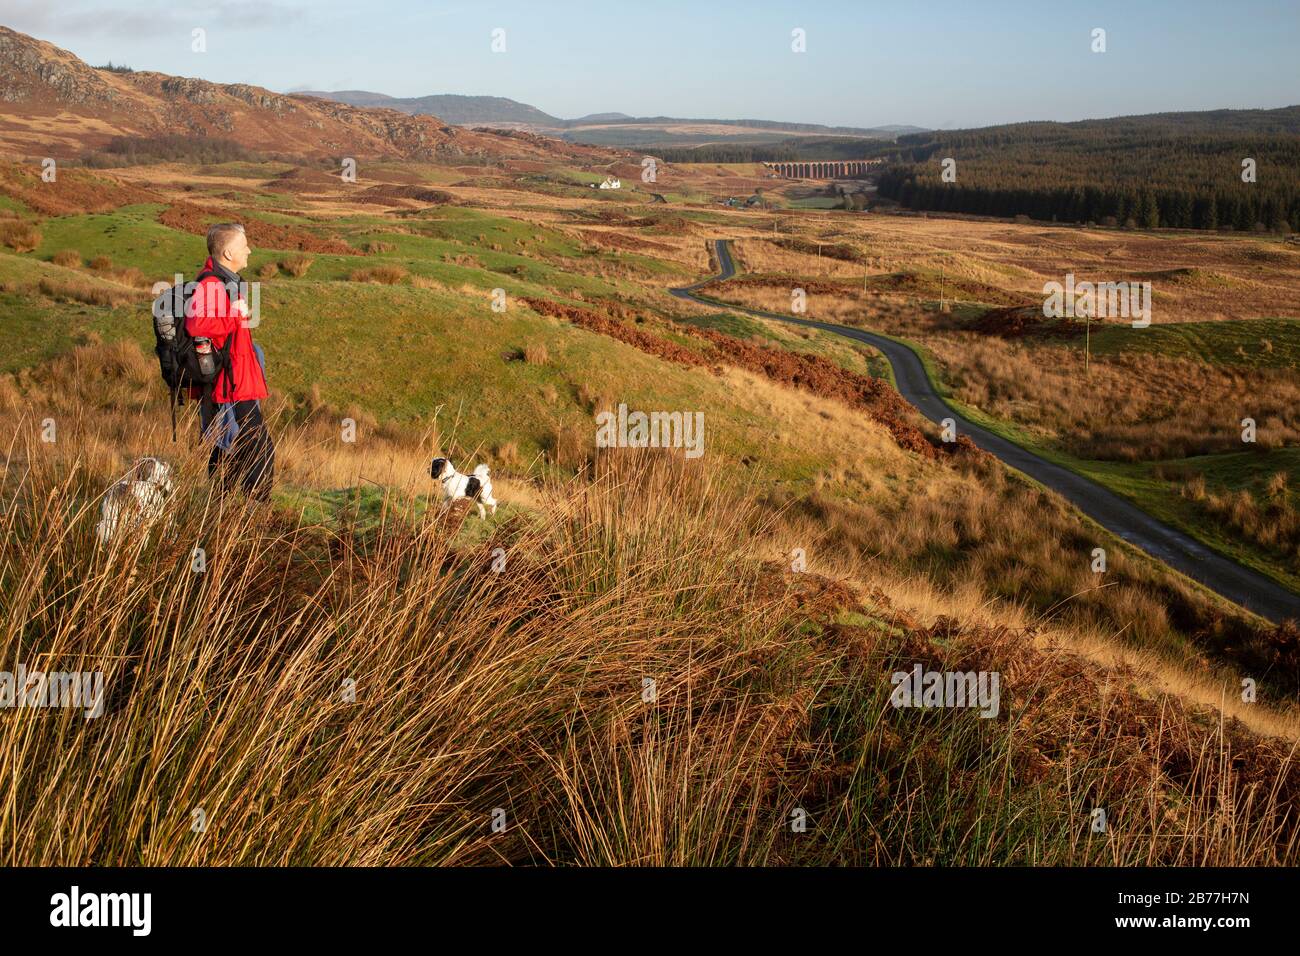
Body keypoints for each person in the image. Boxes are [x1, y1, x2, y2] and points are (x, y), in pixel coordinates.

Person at [186, 223, 274, 500]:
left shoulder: (227, 282)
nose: (249, 250)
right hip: (229, 384)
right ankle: (253, 510)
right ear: (227, 252)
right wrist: (234, 315)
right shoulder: (211, 284)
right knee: (256, 446)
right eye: (243, 245)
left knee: (227, 446)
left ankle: (222, 506)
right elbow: (196, 325)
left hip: (237, 380)